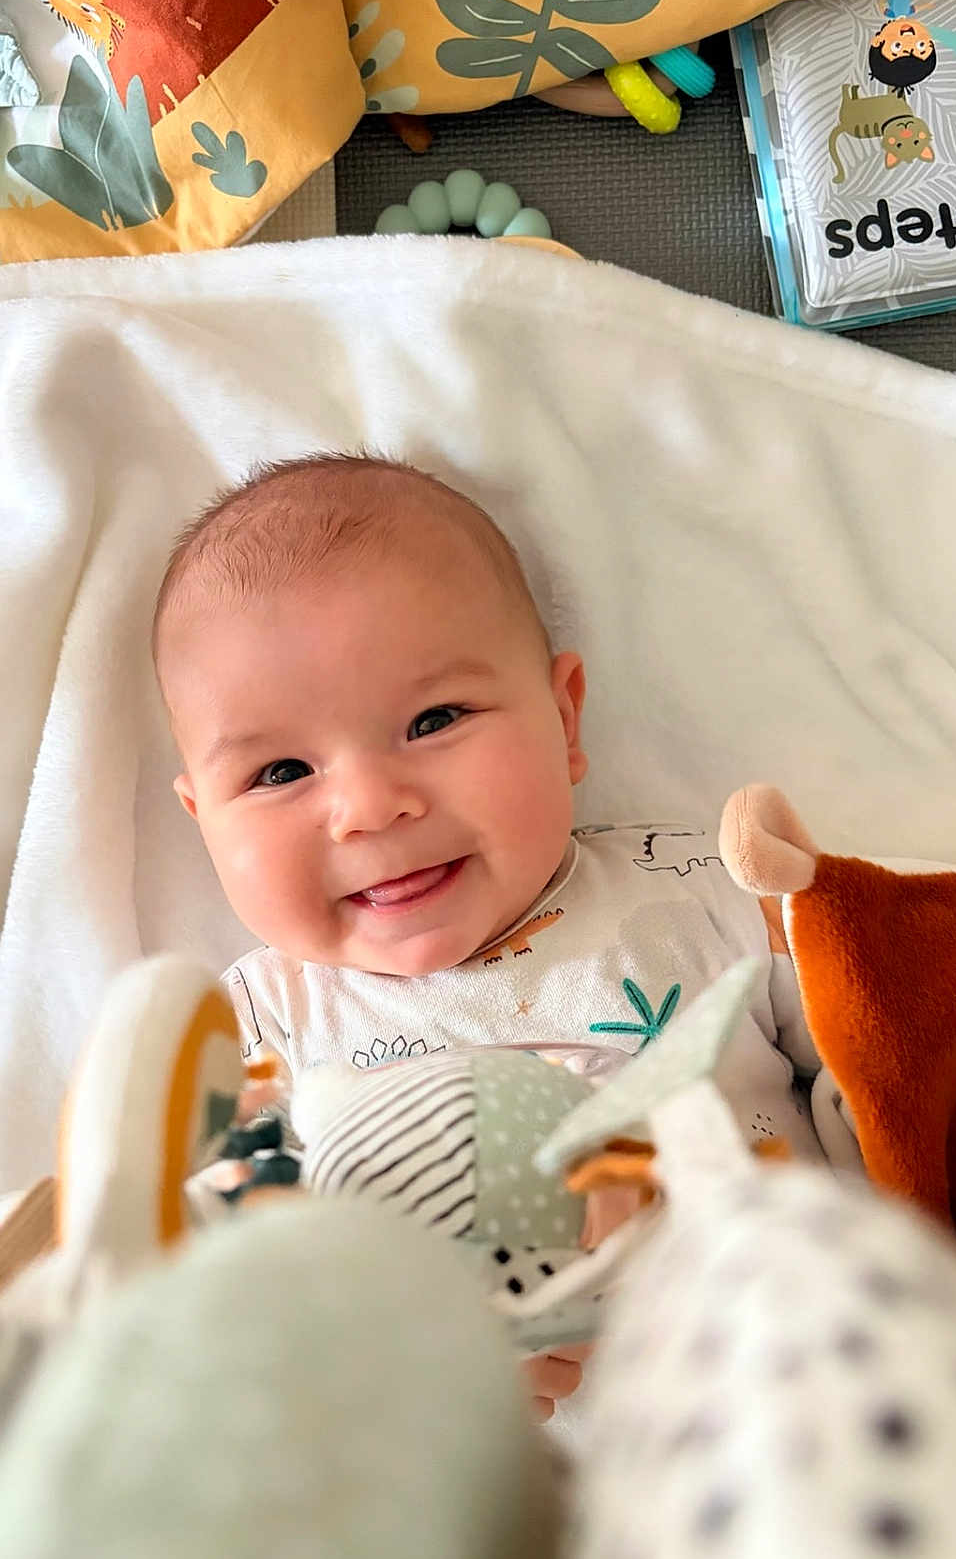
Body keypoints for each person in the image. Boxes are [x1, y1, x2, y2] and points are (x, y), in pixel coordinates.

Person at [152, 453, 824, 1413]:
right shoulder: (254, 1035)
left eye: (433, 719)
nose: (370, 808)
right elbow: (222, 1316)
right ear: (200, 817)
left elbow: (895, 1041)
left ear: (563, 716)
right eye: (280, 773)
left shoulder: (701, 891)